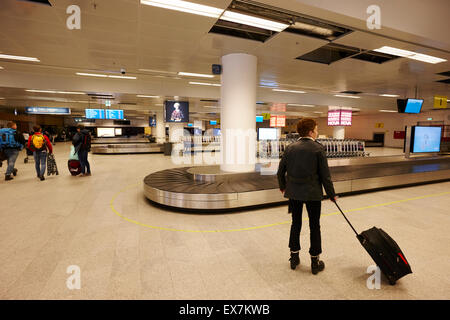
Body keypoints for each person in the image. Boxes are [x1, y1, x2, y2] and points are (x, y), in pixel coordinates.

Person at [277, 118, 337, 274]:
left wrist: (283, 187)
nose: (317, 132)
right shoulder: (318, 149)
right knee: (314, 225)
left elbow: (280, 172)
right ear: (311, 131)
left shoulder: (290, 148)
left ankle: (294, 257)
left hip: (294, 193)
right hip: (313, 193)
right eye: (316, 129)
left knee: (295, 223)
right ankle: (315, 261)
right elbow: (325, 175)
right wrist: (331, 194)